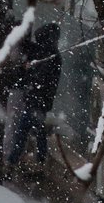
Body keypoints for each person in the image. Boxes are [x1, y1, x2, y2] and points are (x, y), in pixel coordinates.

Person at [7, 23, 63, 167]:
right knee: (38, 132)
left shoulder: (50, 56)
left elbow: (41, 78)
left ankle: (13, 161)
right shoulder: (47, 54)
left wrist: (30, 69)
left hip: (37, 100)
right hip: (39, 100)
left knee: (23, 131)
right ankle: (39, 161)